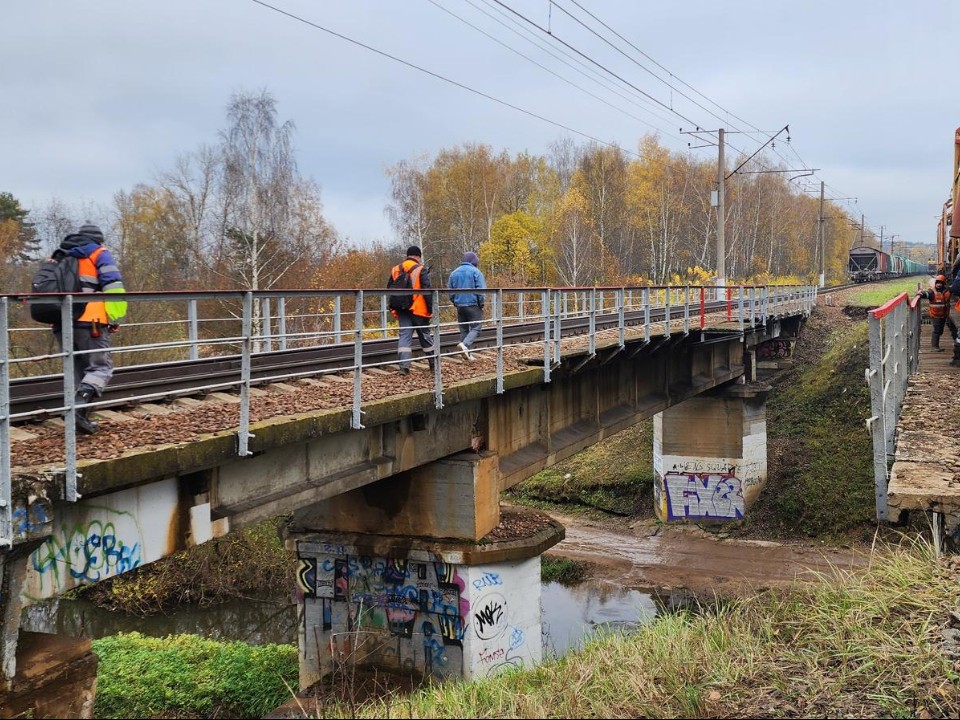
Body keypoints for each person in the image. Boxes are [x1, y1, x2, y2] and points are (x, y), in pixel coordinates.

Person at [54, 223, 127, 433]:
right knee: (100, 368)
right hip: (91, 321)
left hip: (61, 321)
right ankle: (78, 408)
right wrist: (115, 317)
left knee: (76, 370)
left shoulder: (61, 255)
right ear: (98, 240)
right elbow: (113, 287)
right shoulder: (99, 254)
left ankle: (78, 419)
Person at [388, 245, 434, 375]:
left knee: (404, 336)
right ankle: (433, 363)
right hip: (418, 309)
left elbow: (389, 288)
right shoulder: (420, 269)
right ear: (418, 256)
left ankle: (404, 367)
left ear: (407, 255)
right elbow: (427, 291)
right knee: (425, 336)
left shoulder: (396, 269)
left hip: (402, 309)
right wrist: (430, 309)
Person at [448, 251, 486, 362]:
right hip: (473, 304)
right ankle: (464, 345)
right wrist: (481, 303)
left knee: (464, 329)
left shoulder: (454, 273)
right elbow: (481, 290)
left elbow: (450, 291)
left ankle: (467, 355)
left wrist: (455, 302)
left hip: (460, 305)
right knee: (476, 328)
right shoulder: (476, 272)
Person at [916, 274, 956, 353]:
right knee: (936, 331)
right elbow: (927, 294)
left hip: (944, 315)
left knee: (940, 331)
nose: (939, 284)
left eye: (940, 283)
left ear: (944, 284)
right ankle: (934, 347)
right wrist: (921, 294)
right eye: (937, 283)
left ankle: (935, 345)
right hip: (935, 315)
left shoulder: (947, 291)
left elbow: (954, 289)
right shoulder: (932, 292)